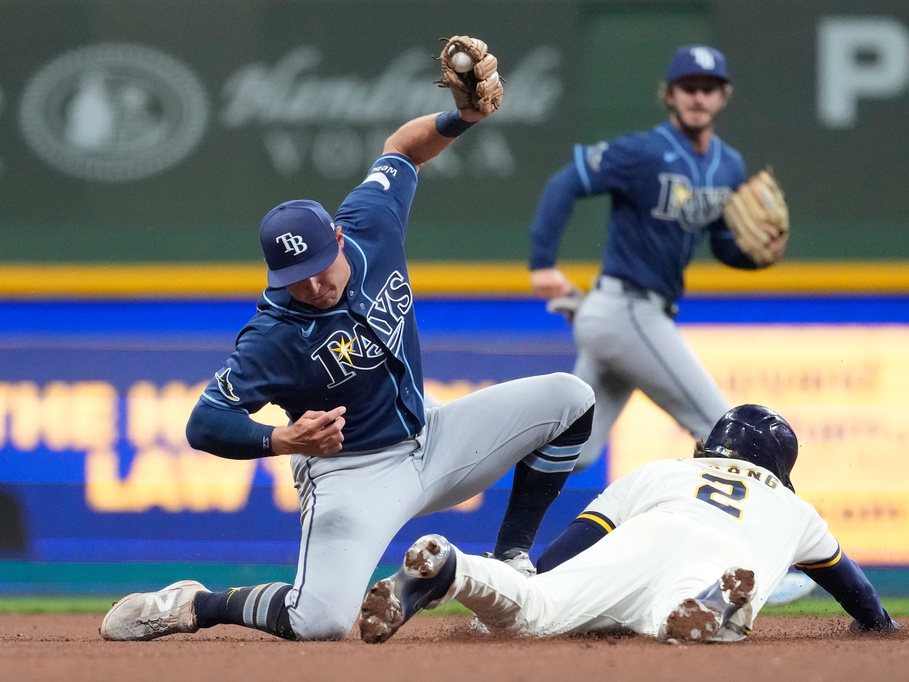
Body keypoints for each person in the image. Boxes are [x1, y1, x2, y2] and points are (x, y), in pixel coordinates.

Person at [99, 36, 595, 642]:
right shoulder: (274, 335)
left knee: (570, 398)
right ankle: (197, 605)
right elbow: (204, 422)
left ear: (337, 238)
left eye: (315, 265)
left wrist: (460, 118)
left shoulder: (370, 223)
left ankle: (513, 557)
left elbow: (402, 151)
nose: (309, 285)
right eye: (292, 277)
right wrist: (279, 439)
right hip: (353, 472)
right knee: (321, 620)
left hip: (432, 437)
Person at [358, 405, 900, 644]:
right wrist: (877, 624)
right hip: (724, 559)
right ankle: (711, 607)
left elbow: (567, 551)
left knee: (537, 611)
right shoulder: (795, 509)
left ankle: (453, 569)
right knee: (677, 614)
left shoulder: (666, 470)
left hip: (653, 529)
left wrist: (544, 580)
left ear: (710, 447)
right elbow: (853, 586)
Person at [528, 44, 788, 473]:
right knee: (726, 429)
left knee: (576, 451)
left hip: (628, 317)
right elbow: (567, 180)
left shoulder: (729, 165)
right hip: (626, 310)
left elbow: (724, 244)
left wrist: (757, 256)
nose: (698, 97)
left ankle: (492, 442)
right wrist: (541, 262)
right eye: (688, 88)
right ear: (668, 94)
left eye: (709, 88)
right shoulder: (644, 152)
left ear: (724, 96)